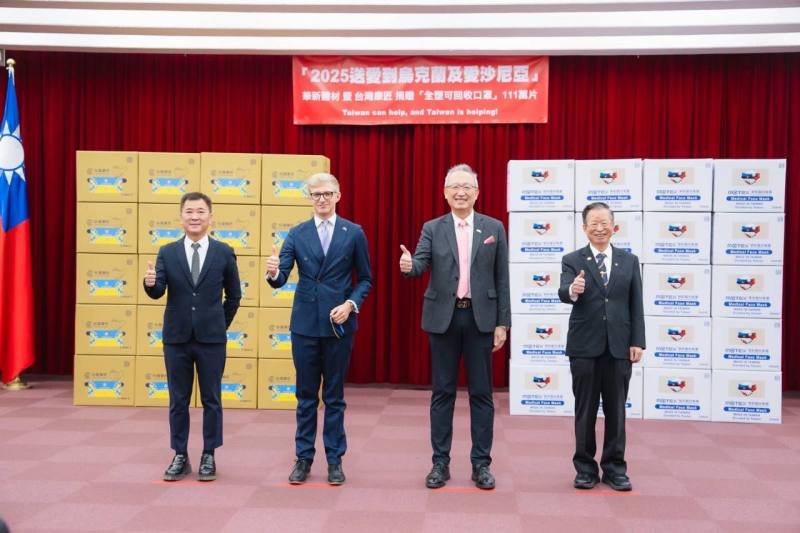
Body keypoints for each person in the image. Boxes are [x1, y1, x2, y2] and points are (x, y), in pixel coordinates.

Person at [399, 163, 511, 490]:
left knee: (481, 394)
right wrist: (409, 266)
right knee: (443, 393)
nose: (460, 192)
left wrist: (503, 322)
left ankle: (481, 465)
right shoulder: (433, 228)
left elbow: (502, 278)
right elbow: (420, 263)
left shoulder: (494, 227)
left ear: (477, 192)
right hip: (444, 319)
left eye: (467, 186)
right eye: (454, 187)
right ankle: (440, 463)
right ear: (445, 192)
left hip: (481, 320)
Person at [265, 172, 372, 486]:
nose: (322, 199)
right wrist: (273, 273)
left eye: (327, 193)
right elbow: (281, 276)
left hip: (339, 326)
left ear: (338, 195)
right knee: (306, 396)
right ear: (309, 198)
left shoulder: (353, 233)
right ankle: (303, 457)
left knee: (335, 397)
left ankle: (335, 460)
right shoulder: (297, 234)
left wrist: (350, 304)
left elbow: (365, 278)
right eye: (316, 194)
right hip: (305, 326)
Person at [143, 191, 241, 482]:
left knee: (212, 399)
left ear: (210, 217)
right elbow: (157, 290)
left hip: (212, 339)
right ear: (181, 216)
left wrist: (218, 326)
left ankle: (209, 453)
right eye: (189, 212)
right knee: (178, 399)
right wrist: (149, 284)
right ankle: (180, 454)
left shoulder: (224, 251)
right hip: (176, 338)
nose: (195, 217)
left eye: (200, 212)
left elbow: (234, 295)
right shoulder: (167, 251)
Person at [558, 201, 645, 492]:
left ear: (614, 226)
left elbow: (636, 305)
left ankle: (614, 468)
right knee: (585, 410)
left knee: (616, 410)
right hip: (584, 347)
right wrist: (573, 290)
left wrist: (638, 341)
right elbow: (563, 290)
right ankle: (584, 468)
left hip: (619, 347)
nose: (599, 228)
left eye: (604, 222)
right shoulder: (573, 260)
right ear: (584, 228)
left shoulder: (629, 261)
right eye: (593, 223)